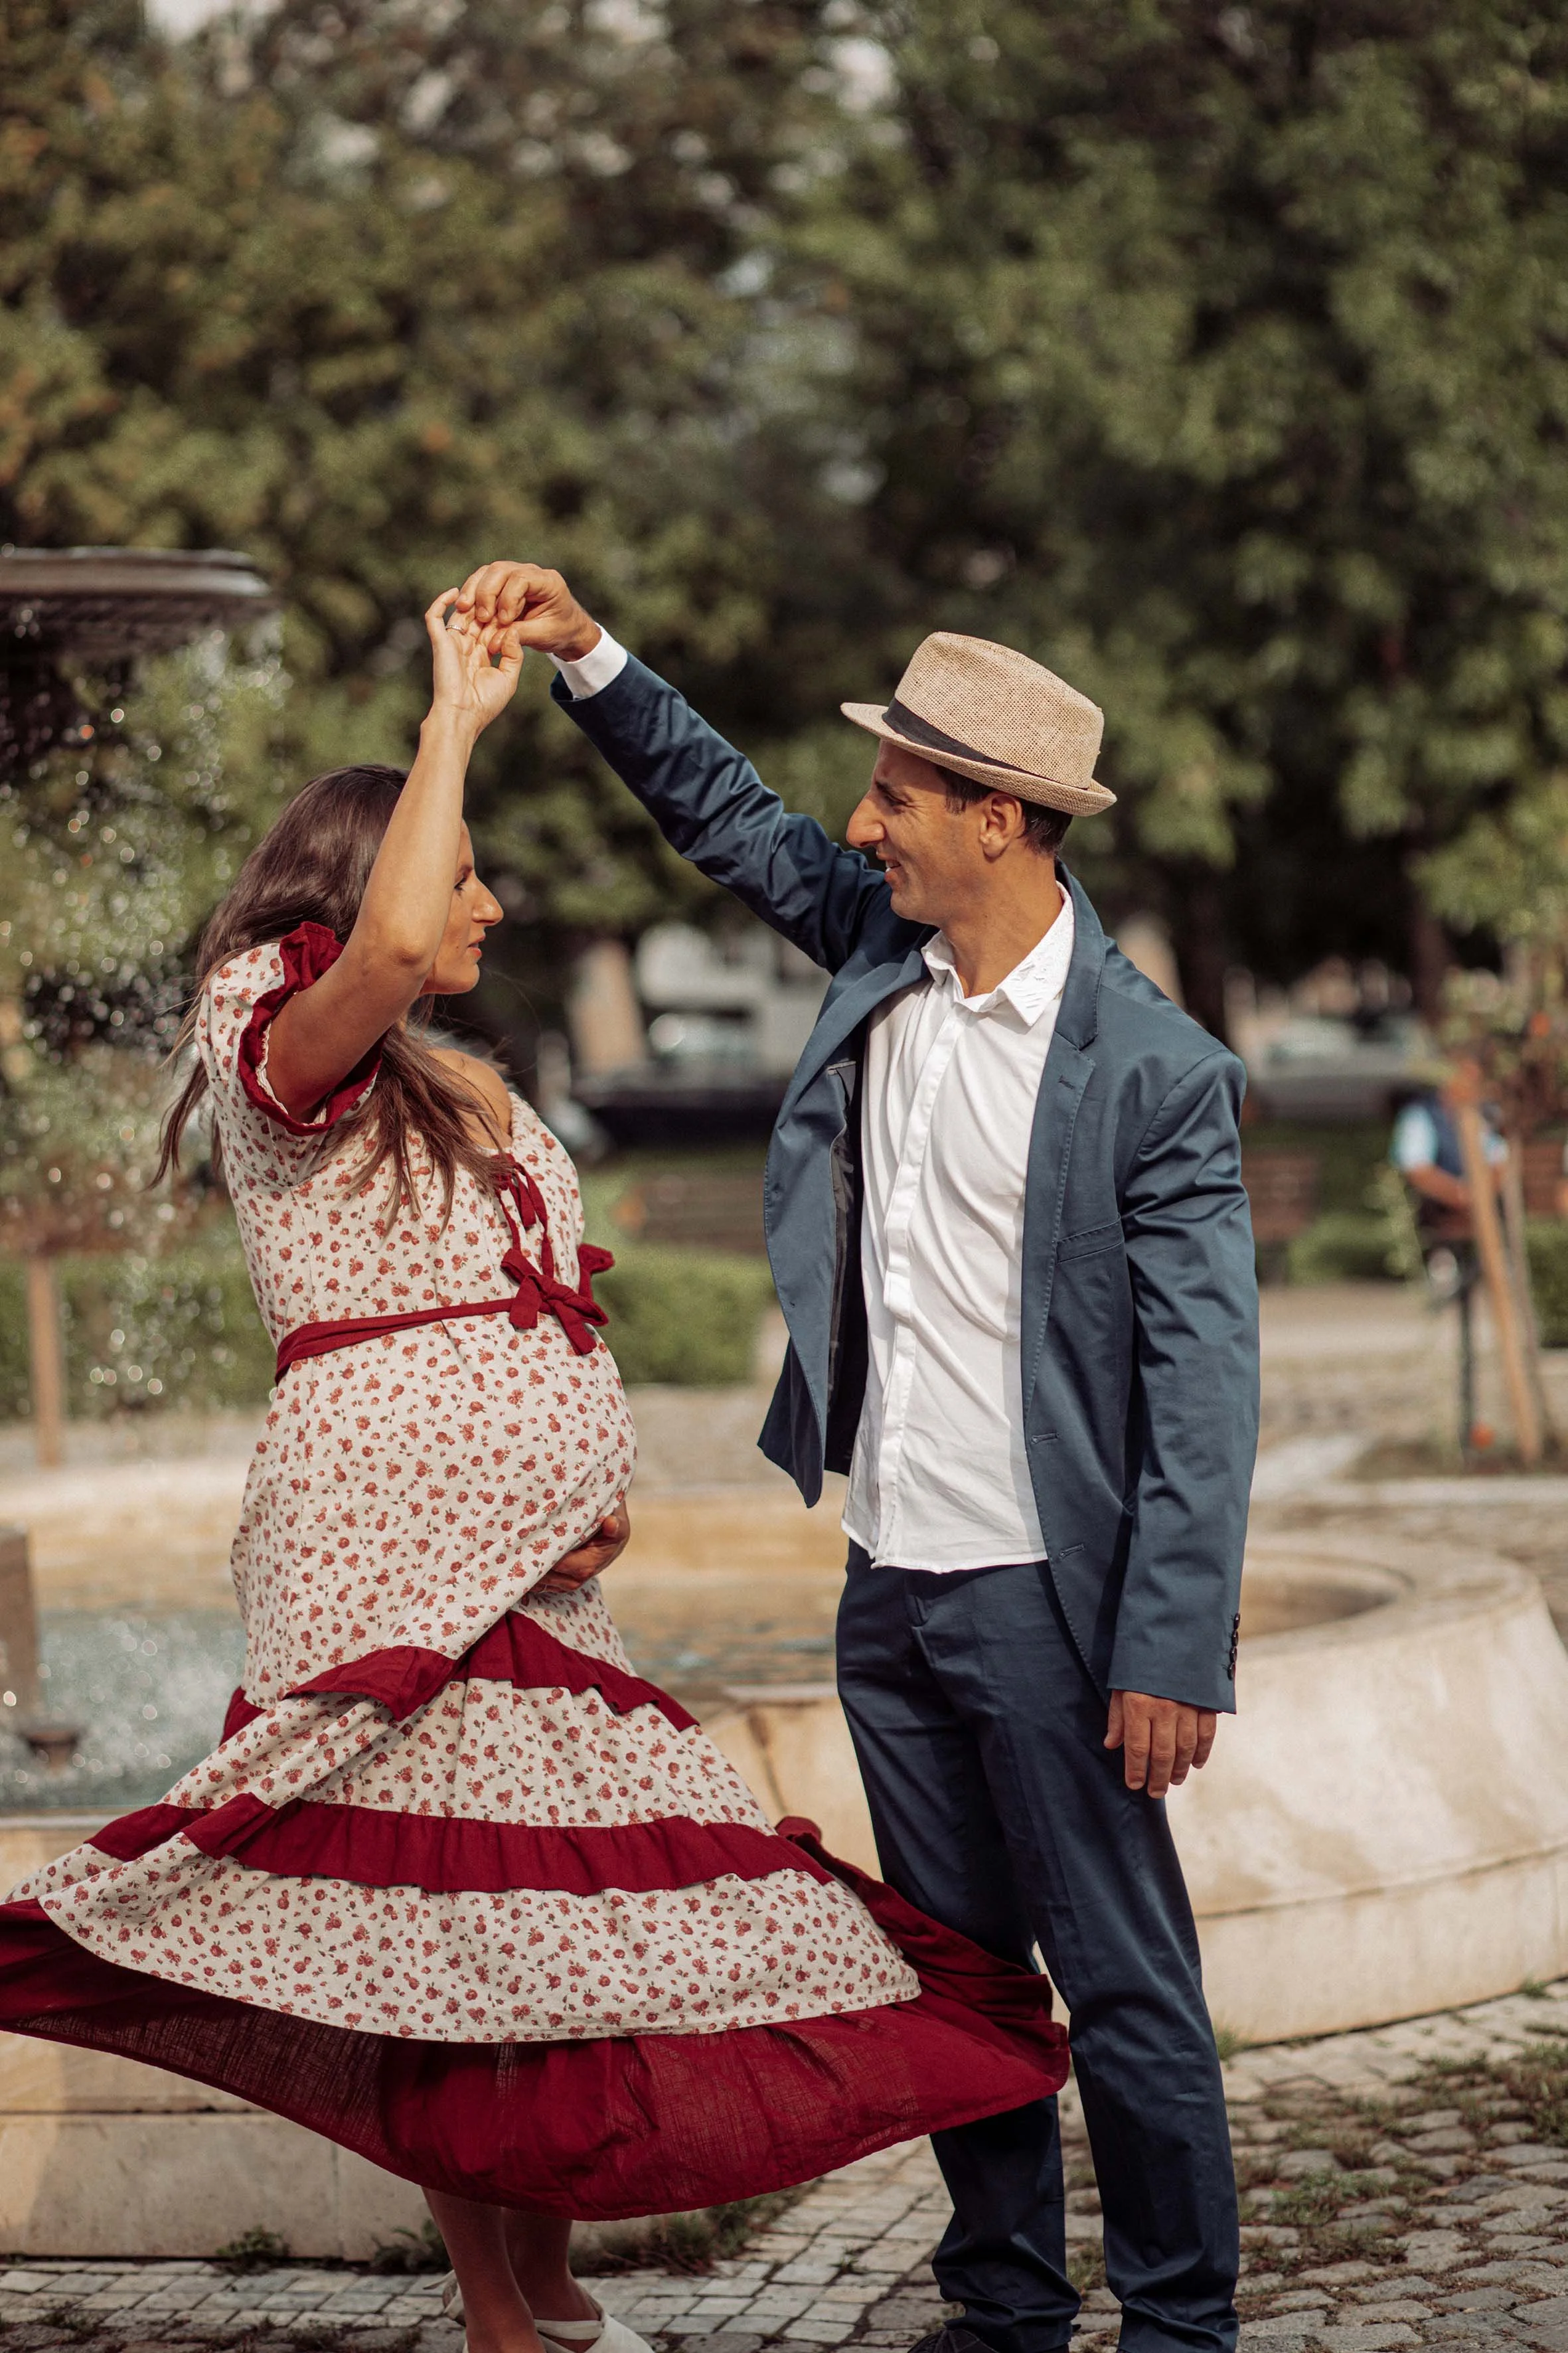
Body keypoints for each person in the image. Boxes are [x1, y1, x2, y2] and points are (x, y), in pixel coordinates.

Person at [0, 590, 1069, 2353]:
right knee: (452, 1925)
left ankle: (541, 2293)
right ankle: (510, 2313)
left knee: (528, 1922)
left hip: (535, 1577)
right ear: (371, 887)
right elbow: (388, 948)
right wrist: (453, 723)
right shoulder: (276, 1028)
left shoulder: (447, 1076)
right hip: (393, 1569)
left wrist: (583, 1478)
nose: (486, 902)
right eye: (461, 872)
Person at [451, 562, 1261, 2353]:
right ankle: (1004, 2310)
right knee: (956, 1985)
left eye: (896, 794)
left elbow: (1205, 1391)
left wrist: (1169, 1644)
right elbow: (728, 817)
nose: (862, 822)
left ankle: (1183, 2326)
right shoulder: (884, 952)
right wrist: (590, 655)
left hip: (1056, 1601)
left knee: (1125, 1984)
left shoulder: (1154, 1071)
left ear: (998, 817)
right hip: (892, 1579)